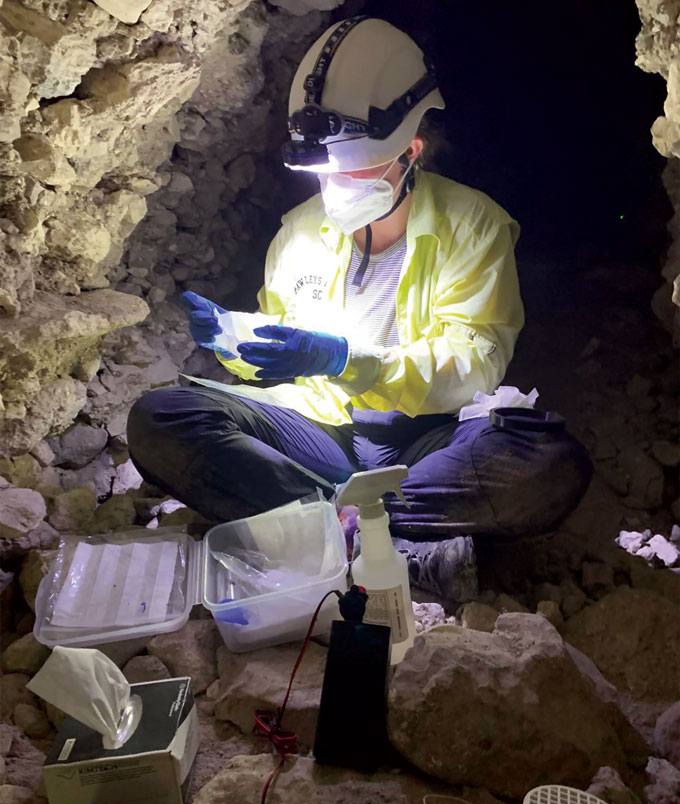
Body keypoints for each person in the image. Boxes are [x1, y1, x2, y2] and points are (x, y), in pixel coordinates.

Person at [128, 17, 592, 603]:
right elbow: (285, 356)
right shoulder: (297, 234)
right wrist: (240, 344)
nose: (336, 184)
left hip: (431, 438)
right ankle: (387, 537)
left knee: (548, 462)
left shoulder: (473, 224)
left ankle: (310, 522)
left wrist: (352, 361)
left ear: (411, 152)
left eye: (354, 168)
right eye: (326, 171)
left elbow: (476, 362)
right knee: (163, 417)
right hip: (325, 430)